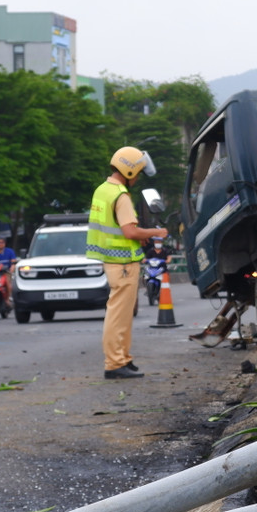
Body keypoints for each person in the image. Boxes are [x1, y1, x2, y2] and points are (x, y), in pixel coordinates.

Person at [88, 146, 168, 379]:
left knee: (120, 315)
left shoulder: (103, 190)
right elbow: (129, 231)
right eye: (138, 173)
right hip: (122, 263)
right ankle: (115, 363)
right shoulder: (120, 195)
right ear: (130, 171)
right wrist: (157, 232)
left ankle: (123, 358)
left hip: (112, 260)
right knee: (118, 316)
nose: (138, 178)